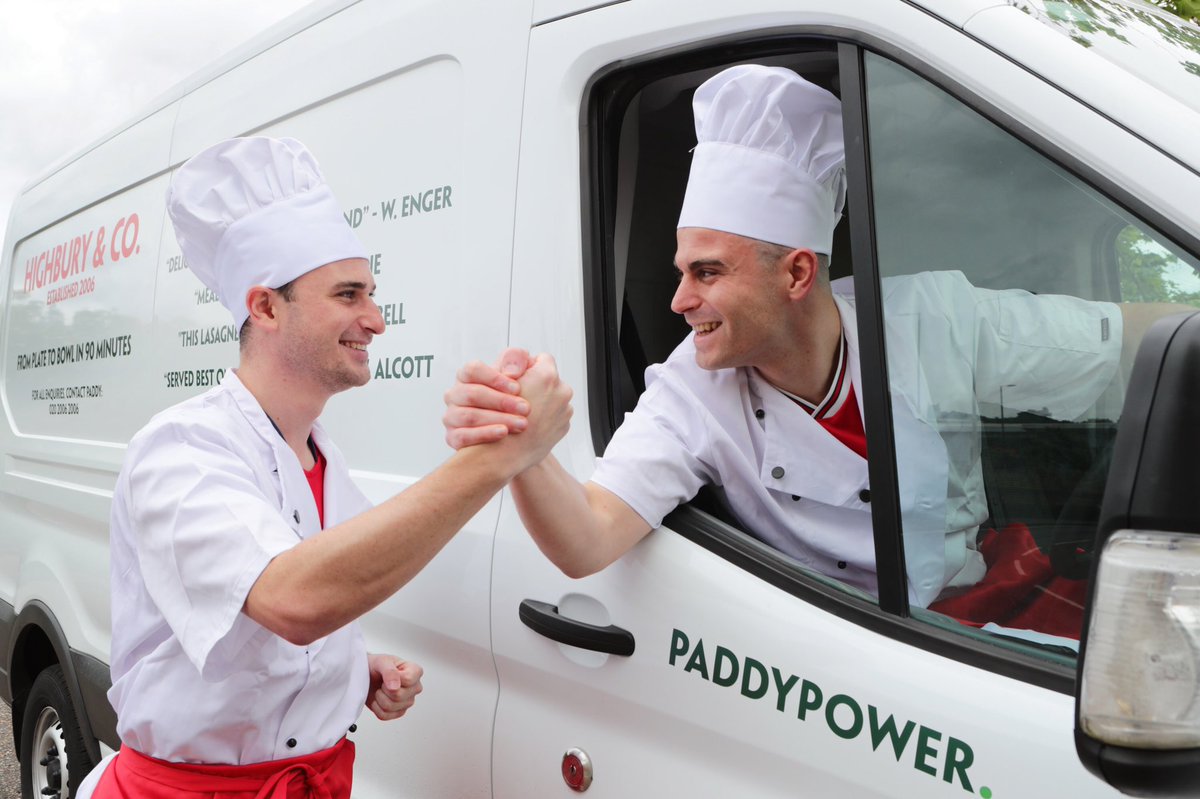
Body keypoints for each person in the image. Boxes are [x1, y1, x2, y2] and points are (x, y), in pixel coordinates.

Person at [443, 65, 1173, 614]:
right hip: (849, 643)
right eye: (680, 271)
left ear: (796, 273)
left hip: (976, 603)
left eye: (706, 272)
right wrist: (521, 448)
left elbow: (1123, 347)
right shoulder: (691, 391)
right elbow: (589, 537)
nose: (678, 300)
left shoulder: (933, 319)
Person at [80, 137, 571, 798]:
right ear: (265, 307)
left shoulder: (321, 457)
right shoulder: (182, 448)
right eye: (348, 294)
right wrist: (500, 455)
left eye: (371, 293)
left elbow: (277, 628)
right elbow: (295, 598)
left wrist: (349, 672)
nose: (375, 318)